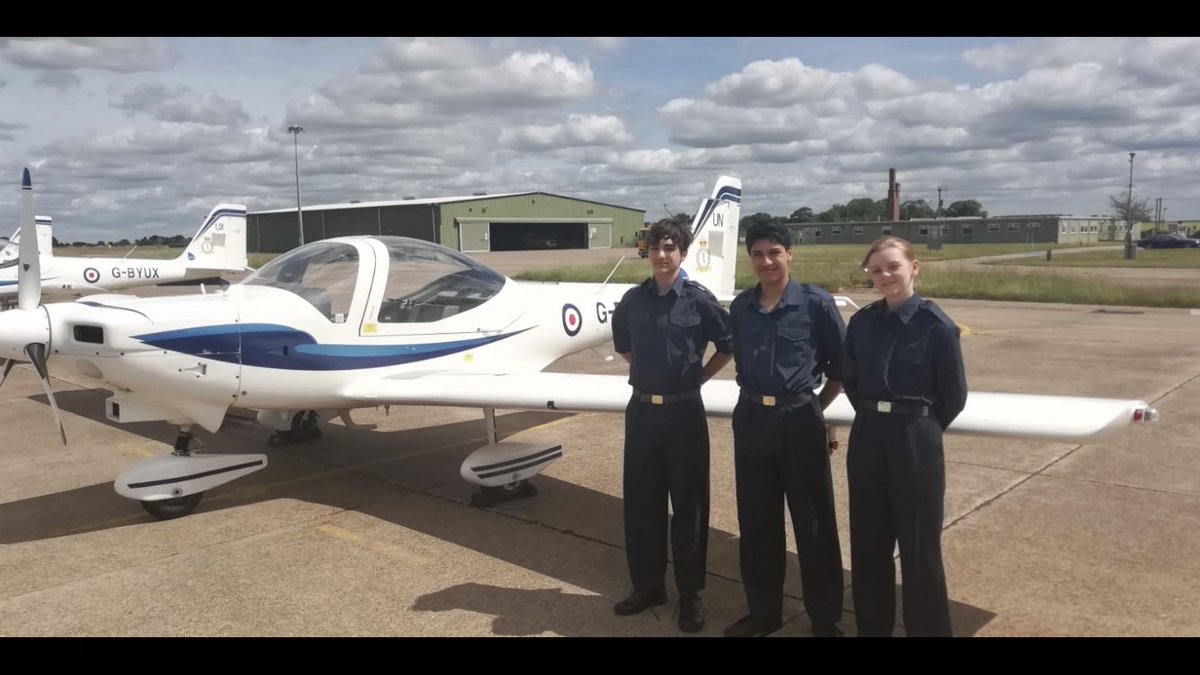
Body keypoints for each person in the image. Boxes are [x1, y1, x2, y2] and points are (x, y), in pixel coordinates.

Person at [610, 217, 734, 633]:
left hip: (684, 414)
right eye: (656, 249)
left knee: (689, 507)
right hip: (644, 411)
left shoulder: (699, 300)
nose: (662, 256)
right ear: (649, 253)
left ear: (682, 253)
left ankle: (690, 595)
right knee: (642, 503)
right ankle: (647, 586)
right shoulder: (632, 301)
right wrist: (651, 376)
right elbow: (624, 347)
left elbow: (727, 345)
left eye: (670, 248)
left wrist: (697, 377)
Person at [724, 222, 846, 638]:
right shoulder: (741, 307)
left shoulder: (816, 303)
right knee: (757, 524)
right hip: (753, 418)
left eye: (774, 252)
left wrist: (812, 408)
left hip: (799, 420)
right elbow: (740, 360)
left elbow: (840, 369)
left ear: (790, 254)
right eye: (757, 254)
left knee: (813, 524)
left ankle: (825, 619)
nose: (766, 262)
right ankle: (763, 613)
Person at [842, 236, 968, 637]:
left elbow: (954, 397)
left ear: (914, 267)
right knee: (868, 546)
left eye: (893, 266)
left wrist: (919, 429)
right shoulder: (861, 323)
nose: (884, 276)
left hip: (915, 437)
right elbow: (851, 380)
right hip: (868, 436)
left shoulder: (937, 327)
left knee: (919, 550)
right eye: (876, 270)